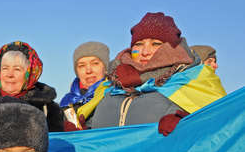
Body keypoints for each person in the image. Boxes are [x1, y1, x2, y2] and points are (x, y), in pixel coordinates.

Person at [89, 12, 226, 135]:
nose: (145, 51)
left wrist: (190, 121)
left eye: (156, 44)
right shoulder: (112, 82)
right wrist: (80, 130)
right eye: (139, 44)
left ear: (173, 48)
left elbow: (222, 120)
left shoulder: (194, 78)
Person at [0, 41, 63, 131]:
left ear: (30, 74)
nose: (10, 74)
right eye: (5, 68)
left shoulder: (47, 108)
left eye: (17, 69)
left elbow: (55, 143)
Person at [60, 41, 110, 130]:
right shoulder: (66, 103)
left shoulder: (113, 95)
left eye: (95, 63)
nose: (88, 70)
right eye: (82, 66)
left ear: (105, 68)